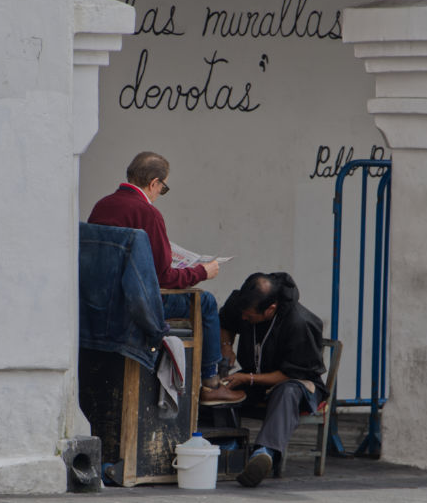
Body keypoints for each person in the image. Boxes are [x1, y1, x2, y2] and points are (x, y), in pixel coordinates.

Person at [88, 151, 245, 406]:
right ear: (154, 183)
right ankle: (211, 383)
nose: (160, 193)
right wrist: (202, 272)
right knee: (205, 303)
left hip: (101, 301)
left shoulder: (102, 205)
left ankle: (210, 382)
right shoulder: (148, 214)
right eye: (163, 187)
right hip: (136, 304)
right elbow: (164, 278)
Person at [219, 272, 327, 487]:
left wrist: (247, 377)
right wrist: (226, 347)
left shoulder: (300, 323)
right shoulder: (243, 302)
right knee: (216, 391)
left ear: (270, 309)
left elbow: (291, 374)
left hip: (298, 383)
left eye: (249, 316)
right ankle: (225, 447)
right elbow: (227, 321)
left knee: (286, 391)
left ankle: (264, 453)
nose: (244, 319)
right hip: (254, 378)